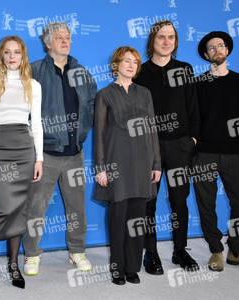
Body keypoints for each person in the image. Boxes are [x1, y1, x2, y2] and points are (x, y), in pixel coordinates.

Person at [23, 22, 97, 275]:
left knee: (77, 209)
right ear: (47, 43)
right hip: (45, 155)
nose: (65, 41)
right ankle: (31, 254)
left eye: (67, 37)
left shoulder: (82, 72)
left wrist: (85, 133)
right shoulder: (33, 71)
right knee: (36, 208)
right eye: (59, 37)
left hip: (75, 153)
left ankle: (77, 252)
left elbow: (93, 107)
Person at [0, 35, 43, 296]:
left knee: (20, 211)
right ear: (0, 55)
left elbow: (36, 123)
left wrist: (39, 159)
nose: (12, 57)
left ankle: (14, 265)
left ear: (23, 56)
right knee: (3, 209)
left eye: (17, 52)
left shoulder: (33, 85)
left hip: (26, 149)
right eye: (7, 52)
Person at [133, 20, 200, 274]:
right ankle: (150, 253)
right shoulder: (140, 71)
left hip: (180, 145)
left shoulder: (185, 69)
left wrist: (192, 139)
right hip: (148, 148)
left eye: (171, 37)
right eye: (161, 36)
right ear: (153, 40)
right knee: (148, 202)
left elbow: (193, 108)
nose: (166, 41)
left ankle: (180, 250)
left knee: (179, 202)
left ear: (175, 41)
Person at [193, 31, 239, 272]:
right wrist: (194, 151)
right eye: (211, 48)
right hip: (204, 154)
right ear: (205, 55)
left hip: (236, 155)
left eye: (220, 46)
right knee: (206, 205)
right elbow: (194, 119)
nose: (216, 50)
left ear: (228, 50)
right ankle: (216, 251)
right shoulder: (198, 83)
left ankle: (236, 250)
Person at [95, 46, 162, 285]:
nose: (131, 65)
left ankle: (132, 267)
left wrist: (156, 163)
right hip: (116, 162)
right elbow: (100, 134)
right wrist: (100, 168)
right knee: (117, 217)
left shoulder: (144, 93)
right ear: (116, 64)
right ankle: (117, 268)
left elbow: (152, 129)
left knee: (137, 219)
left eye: (135, 62)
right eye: (126, 61)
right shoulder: (104, 94)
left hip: (142, 162)